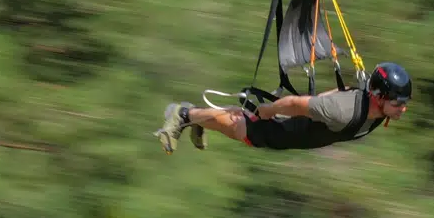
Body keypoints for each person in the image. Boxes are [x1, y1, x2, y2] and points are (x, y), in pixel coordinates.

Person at [155, 62, 412, 152]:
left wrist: (320, 100)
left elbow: (342, 91)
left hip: (301, 134)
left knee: (243, 126)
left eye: (404, 104)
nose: (403, 109)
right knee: (242, 128)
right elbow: (295, 104)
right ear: (379, 97)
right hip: (286, 127)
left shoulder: (375, 108)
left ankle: (197, 119)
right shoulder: (343, 111)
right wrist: (267, 112)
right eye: (398, 103)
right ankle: (183, 114)